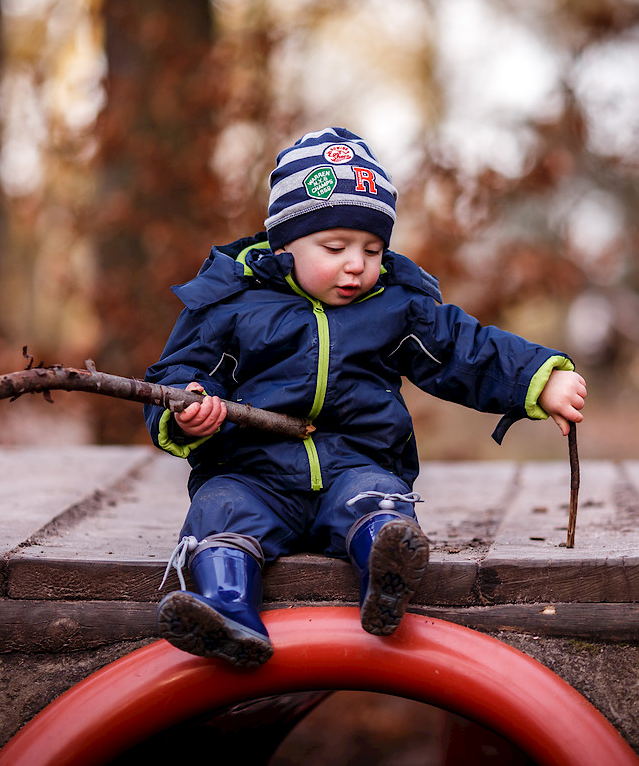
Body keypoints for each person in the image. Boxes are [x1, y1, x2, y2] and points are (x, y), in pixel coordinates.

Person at [144, 127, 587, 668]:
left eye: (373, 248)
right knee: (219, 510)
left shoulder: (395, 305)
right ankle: (225, 610)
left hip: (356, 464)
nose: (357, 263)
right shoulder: (231, 301)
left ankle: (386, 573)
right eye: (335, 247)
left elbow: (464, 350)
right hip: (251, 471)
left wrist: (540, 378)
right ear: (283, 244)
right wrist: (190, 408)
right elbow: (180, 369)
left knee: (379, 499)